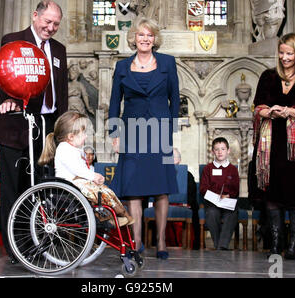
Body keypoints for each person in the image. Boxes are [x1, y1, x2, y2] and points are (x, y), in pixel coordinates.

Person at [0, 0, 68, 263]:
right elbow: (4, 72)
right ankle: (16, 249)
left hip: (47, 126)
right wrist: (6, 99)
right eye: (47, 22)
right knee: (14, 187)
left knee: (41, 187)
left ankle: (38, 243)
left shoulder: (59, 49)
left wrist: (62, 125)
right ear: (35, 16)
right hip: (17, 123)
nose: (51, 27)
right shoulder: (13, 40)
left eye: (56, 24)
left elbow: (62, 91)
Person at [108, 17, 180, 259]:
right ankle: (136, 241)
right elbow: (113, 102)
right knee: (134, 189)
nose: (145, 39)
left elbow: (175, 100)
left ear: (155, 39)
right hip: (131, 131)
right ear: (134, 38)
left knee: (161, 189)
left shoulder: (168, 63)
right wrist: (114, 134)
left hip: (159, 132)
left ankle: (160, 241)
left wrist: (171, 136)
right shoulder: (121, 66)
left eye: (149, 35)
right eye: (141, 35)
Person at [250, 33, 295, 259]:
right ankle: (276, 244)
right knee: (272, 193)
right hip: (271, 144)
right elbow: (257, 106)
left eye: (289, 53)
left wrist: (289, 111)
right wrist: (269, 111)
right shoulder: (268, 76)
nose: (285, 57)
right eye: (282, 53)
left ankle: (294, 245)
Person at [37, 111, 134, 227]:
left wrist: (93, 177)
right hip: (69, 187)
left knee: (105, 190)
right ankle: (113, 216)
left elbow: (83, 168)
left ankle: (121, 215)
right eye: (83, 133)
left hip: (76, 184)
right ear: (71, 136)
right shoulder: (64, 149)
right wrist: (93, 176)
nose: (86, 136)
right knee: (101, 192)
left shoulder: (75, 149)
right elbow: (77, 169)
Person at [199, 138, 240, 250]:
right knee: (212, 213)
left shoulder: (232, 169)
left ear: (228, 151)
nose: (220, 152)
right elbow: (203, 188)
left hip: (228, 201)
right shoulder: (208, 168)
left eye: (223, 149)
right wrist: (215, 196)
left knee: (231, 214)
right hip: (213, 202)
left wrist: (228, 195)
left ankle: (222, 245)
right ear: (212, 151)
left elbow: (236, 189)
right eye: (217, 149)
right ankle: (218, 244)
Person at [173, 148, 200, 249]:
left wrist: (184, 203)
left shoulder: (187, 175)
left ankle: (190, 244)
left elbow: (191, 194)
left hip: (184, 205)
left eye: (173, 158)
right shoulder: (162, 174)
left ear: (179, 160)